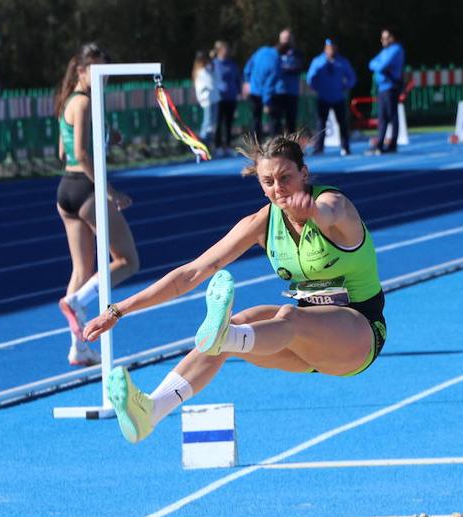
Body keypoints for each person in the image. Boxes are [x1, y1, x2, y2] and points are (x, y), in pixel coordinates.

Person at [82, 133, 388, 445]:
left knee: (286, 318)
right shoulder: (262, 222)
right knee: (240, 322)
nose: (278, 189)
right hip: (307, 345)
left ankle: (224, 336)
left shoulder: (333, 204)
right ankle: (152, 411)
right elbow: (191, 273)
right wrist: (118, 310)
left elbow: (330, 213)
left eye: (286, 178)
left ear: (304, 174)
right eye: (268, 181)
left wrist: (311, 212)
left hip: (358, 334)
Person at [54, 43, 141, 367]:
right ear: (80, 70)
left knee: (82, 269)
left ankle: (78, 346)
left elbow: (64, 153)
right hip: (87, 188)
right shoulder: (86, 102)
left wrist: (105, 136)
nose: (102, 79)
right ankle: (77, 302)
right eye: (96, 71)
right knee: (128, 261)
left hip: (66, 190)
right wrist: (109, 191)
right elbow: (80, 153)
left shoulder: (68, 102)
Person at [307, 38, 356, 155]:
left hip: (338, 97)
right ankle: (319, 148)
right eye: (329, 48)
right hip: (323, 97)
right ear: (325, 49)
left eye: (333, 48)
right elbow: (310, 78)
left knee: (342, 123)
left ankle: (345, 147)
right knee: (321, 124)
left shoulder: (342, 62)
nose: (331, 51)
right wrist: (316, 87)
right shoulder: (318, 61)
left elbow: (352, 77)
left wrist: (346, 86)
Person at [367, 28, 405, 154]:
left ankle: (392, 143)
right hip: (383, 87)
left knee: (391, 115)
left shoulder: (396, 50)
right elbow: (371, 63)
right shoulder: (385, 51)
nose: (383, 40)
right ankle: (381, 142)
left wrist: (378, 66)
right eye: (382, 38)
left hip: (390, 87)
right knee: (382, 117)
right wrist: (378, 66)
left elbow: (382, 66)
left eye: (385, 37)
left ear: (392, 38)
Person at [269, 28, 305, 135]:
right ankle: (276, 146)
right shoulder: (274, 52)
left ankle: (291, 147)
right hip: (277, 91)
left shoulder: (297, 53)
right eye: (284, 38)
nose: (286, 41)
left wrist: (284, 69)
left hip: (291, 92)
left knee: (291, 121)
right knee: (276, 121)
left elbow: (298, 67)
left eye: (288, 38)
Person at [244, 41, 280, 140]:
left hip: (253, 91)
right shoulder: (276, 59)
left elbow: (248, 67)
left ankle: (255, 145)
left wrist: (247, 81)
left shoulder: (261, 51)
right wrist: (266, 102)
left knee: (255, 119)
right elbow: (270, 83)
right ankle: (276, 144)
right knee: (273, 119)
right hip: (264, 94)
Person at [212, 41, 241, 154]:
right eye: (224, 50)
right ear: (219, 51)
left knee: (229, 123)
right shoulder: (214, 64)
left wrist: (238, 91)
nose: (226, 52)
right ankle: (218, 145)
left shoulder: (232, 64)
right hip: (219, 98)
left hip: (231, 97)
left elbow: (237, 78)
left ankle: (228, 145)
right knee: (219, 122)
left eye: (227, 50)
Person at [192, 51, 218, 151]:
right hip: (207, 99)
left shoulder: (206, 69)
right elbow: (207, 84)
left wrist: (211, 58)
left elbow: (213, 68)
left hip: (213, 98)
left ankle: (208, 145)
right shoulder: (200, 71)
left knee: (212, 124)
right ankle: (201, 145)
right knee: (207, 123)